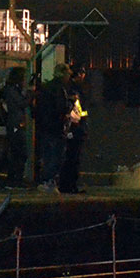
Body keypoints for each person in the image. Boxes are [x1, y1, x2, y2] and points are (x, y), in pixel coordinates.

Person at [34, 63, 71, 192]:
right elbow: (61, 107)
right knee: (56, 156)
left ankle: (45, 180)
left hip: (45, 127)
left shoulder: (46, 88)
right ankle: (48, 181)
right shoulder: (59, 89)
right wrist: (69, 106)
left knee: (48, 155)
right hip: (55, 127)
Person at [0, 66, 30, 186]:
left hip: (15, 123)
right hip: (15, 124)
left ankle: (13, 178)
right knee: (19, 152)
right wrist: (30, 95)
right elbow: (21, 103)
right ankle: (15, 180)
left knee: (16, 152)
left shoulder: (11, 89)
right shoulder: (11, 90)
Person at [59, 63, 89, 194]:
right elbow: (79, 112)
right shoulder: (75, 90)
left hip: (73, 127)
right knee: (73, 158)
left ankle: (68, 185)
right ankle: (69, 185)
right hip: (75, 128)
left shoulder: (68, 88)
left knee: (71, 157)